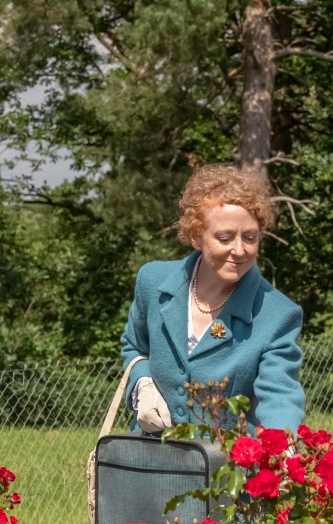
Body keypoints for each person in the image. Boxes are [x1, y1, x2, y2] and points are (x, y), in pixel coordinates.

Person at [120, 163, 305, 438]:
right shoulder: (152, 282)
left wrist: (284, 451)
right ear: (197, 236)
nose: (239, 250)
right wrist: (142, 385)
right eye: (225, 237)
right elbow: (135, 347)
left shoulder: (278, 314)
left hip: (225, 474)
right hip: (150, 465)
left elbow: (280, 395)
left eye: (250, 237)